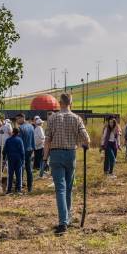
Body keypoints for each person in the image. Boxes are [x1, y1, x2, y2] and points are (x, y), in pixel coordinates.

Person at [43, 94, 91, 235]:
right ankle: (67, 218)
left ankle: (63, 222)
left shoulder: (52, 118)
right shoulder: (77, 118)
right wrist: (83, 144)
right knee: (68, 188)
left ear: (60, 103)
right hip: (71, 154)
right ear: (71, 103)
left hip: (56, 155)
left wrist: (45, 158)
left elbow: (47, 141)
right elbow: (86, 139)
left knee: (60, 189)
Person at [16, 114, 36, 192]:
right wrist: (33, 148)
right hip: (30, 149)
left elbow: (19, 142)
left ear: (22, 118)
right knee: (29, 169)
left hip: (23, 150)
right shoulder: (31, 126)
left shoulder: (21, 128)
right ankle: (30, 187)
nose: (17, 121)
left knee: (20, 168)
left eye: (17, 119)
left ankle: (19, 187)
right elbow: (33, 138)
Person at [4, 125, 26, 194]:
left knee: (10, 174)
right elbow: (22, 151)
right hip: (18, 158)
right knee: (18, 173)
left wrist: (4, 158)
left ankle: (9, 189)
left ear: (13, 132)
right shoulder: (20, 140)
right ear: (18, 133)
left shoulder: (8, 140)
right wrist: (23, 159)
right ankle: (19, 189)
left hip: (10, 158)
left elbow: (4, 150)